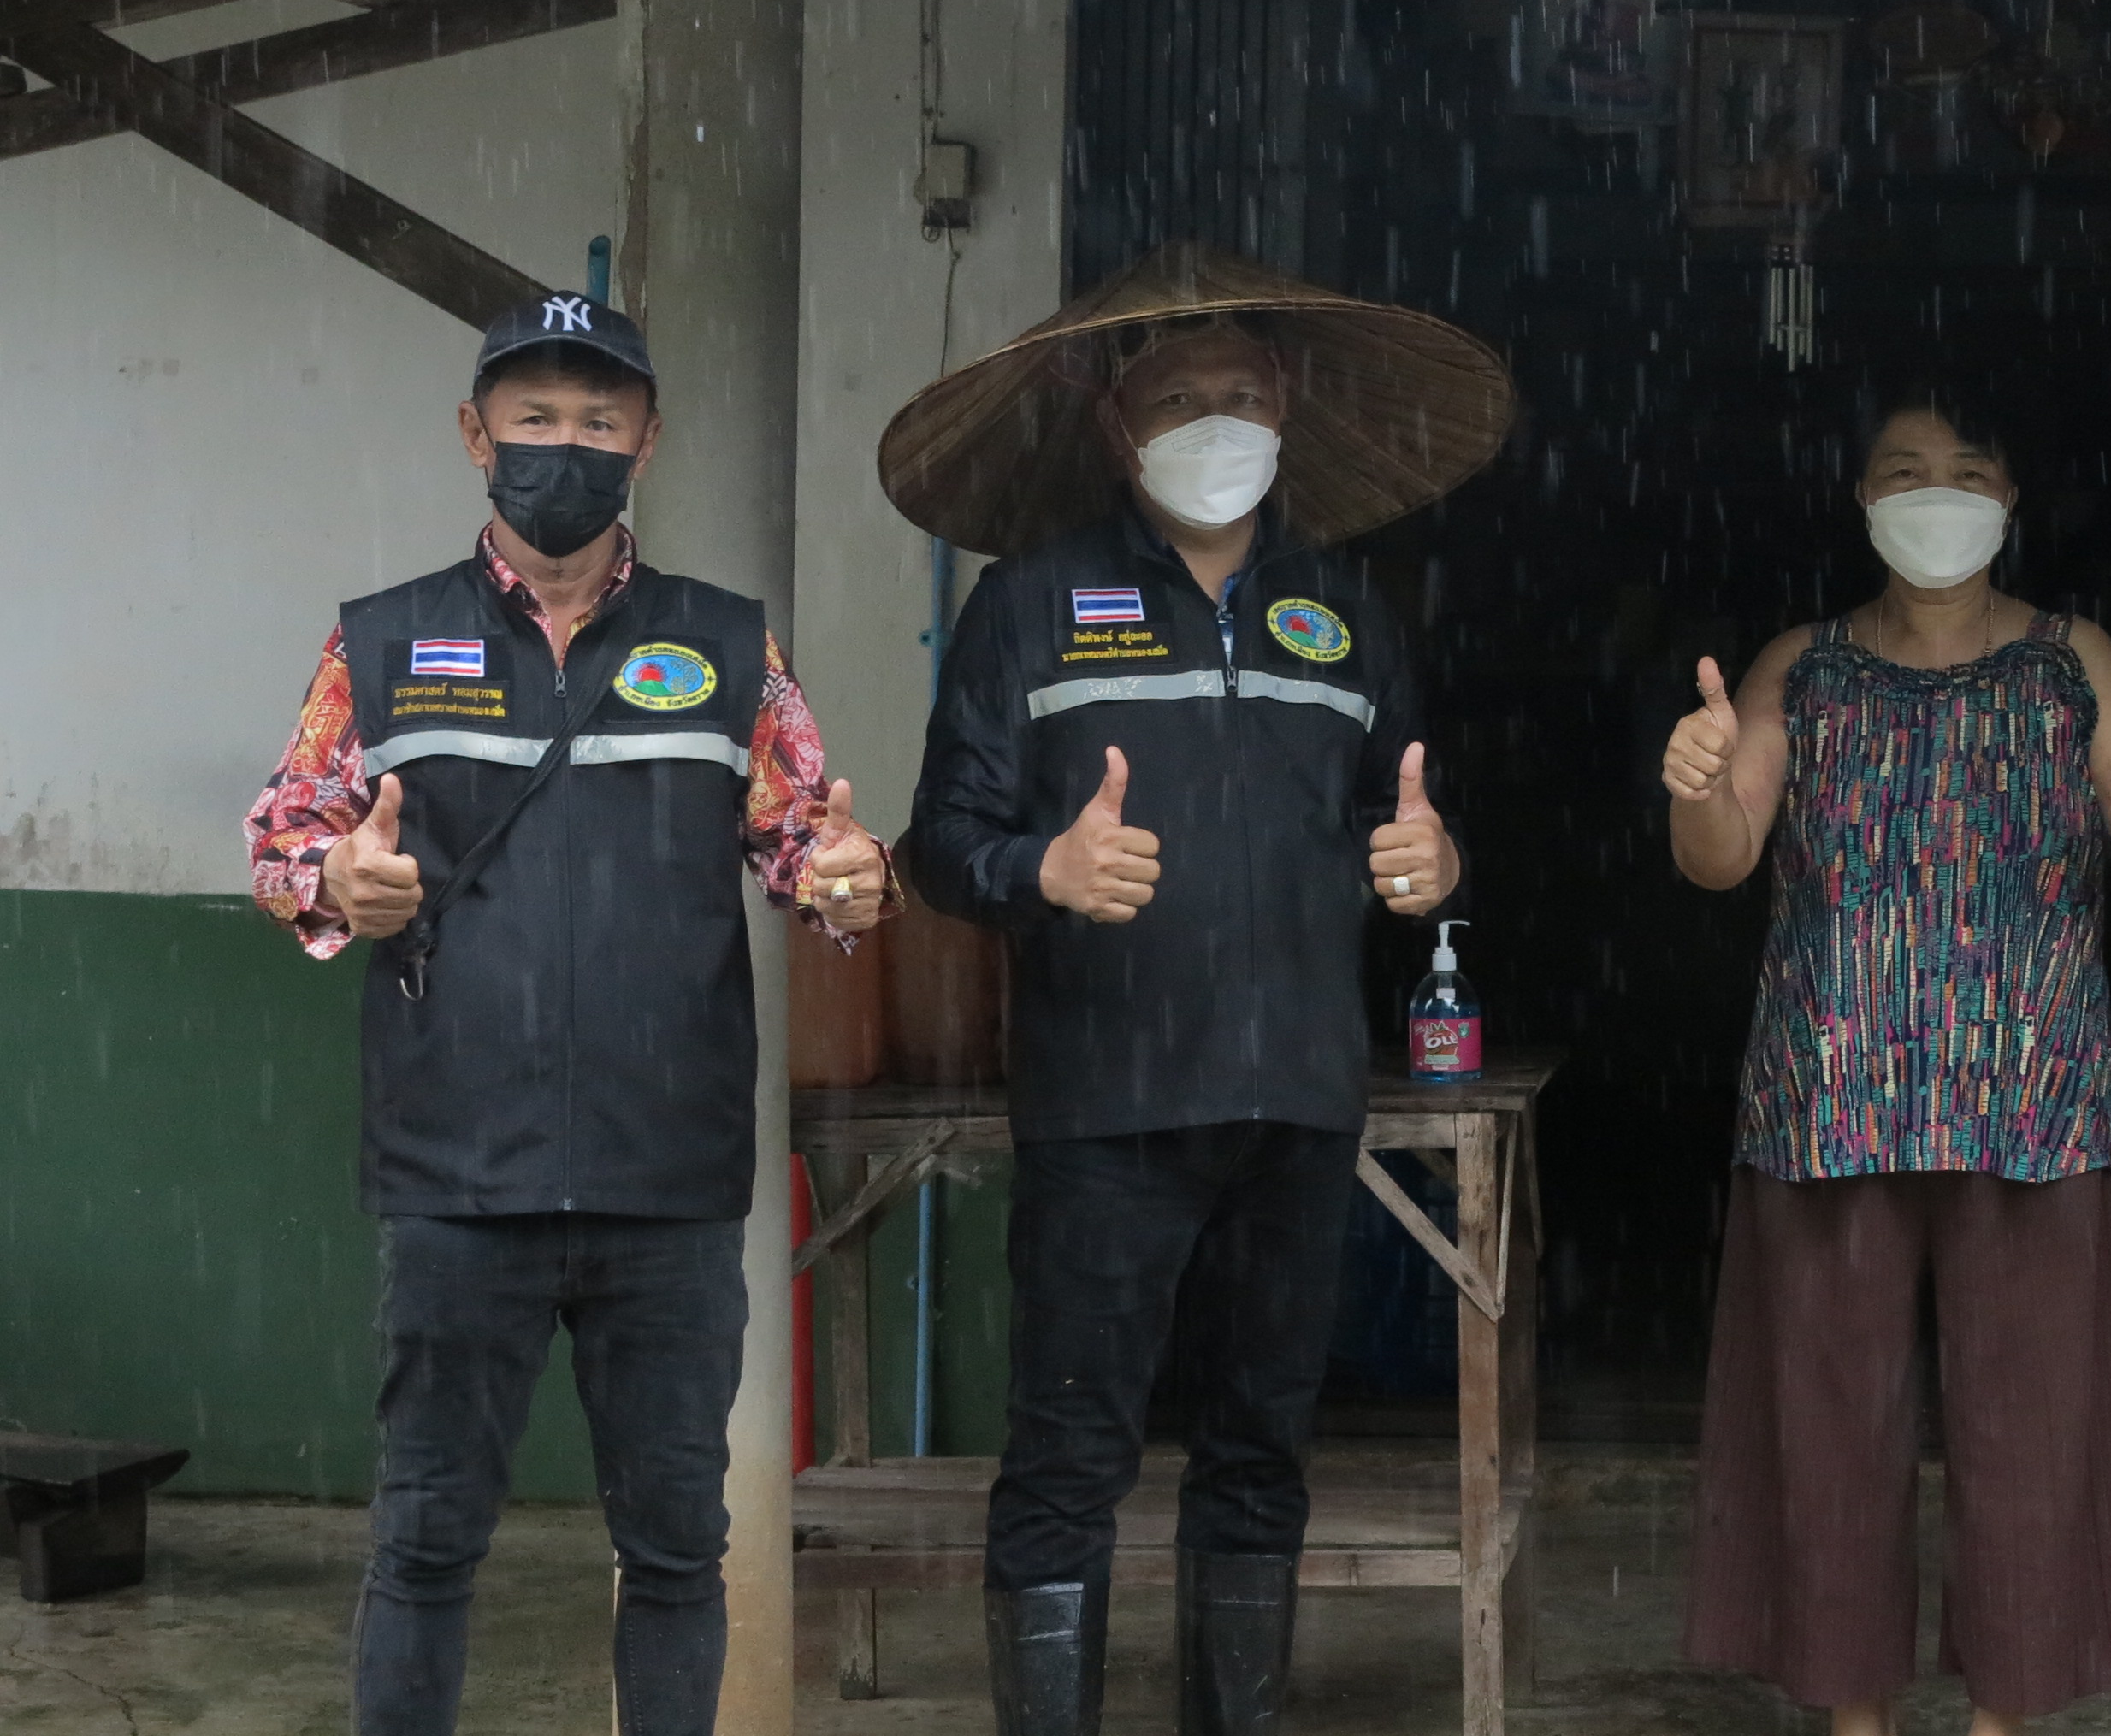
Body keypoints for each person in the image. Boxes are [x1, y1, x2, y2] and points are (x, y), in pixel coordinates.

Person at [245, 291, 895, 1736]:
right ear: (475, 435)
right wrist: (341, 878)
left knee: (676, 1551)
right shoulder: (384, 643)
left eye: (596, 422)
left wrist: (854, 877)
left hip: (664, 1185)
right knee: (423, 1543)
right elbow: (286, 837)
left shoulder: (731, 648)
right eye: (534, 419)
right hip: (453, 1179)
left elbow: (813, 851)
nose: (565, 448)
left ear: (645, 444)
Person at [895, 245, 1512, 1736]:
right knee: (1067, 1458)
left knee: (1261, 1452)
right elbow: (938, 846)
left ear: (1286, 406)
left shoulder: (1347, 610)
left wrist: (1433, 860)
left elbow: (1405, 825)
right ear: (1119, 425)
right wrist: (1040, 872)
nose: (1214, 419)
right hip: (1106, 1107)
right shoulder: (1029, 606)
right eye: (1178, 396)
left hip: (1298, 1098)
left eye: (1241, 392)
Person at [1660, 392, 2111, 1736]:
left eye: (1966, 471)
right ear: (1863, 502)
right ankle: (1853, 1717)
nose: (1936, 494)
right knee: (1830, 1440)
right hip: (1831, 1099)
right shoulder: (1797, 666)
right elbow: (1724, 856)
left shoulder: (2067, 660)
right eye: (1904, 472)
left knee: (2029, 1439)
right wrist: (1698, 784)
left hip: (2031, 1100)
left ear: (2011, 501)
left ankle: (2003, 1719)